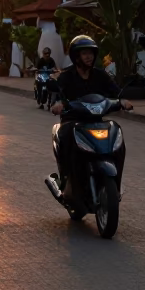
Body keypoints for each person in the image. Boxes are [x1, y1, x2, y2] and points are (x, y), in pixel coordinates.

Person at [49, 35, 133, 189]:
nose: (89, 57)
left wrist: (123, 101)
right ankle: (66, 180)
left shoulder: (100, 75)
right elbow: (58, 95)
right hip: (72, 121)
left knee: (116, 133)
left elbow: (115, 93)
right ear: (76, 56)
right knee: (65, 136)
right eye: (84, 53)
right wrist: (58, 104)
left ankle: (116, 183)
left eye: (91, 53)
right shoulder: (66, 76)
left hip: (96, 121)